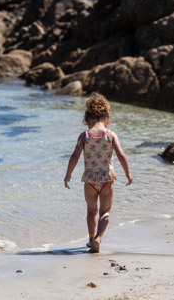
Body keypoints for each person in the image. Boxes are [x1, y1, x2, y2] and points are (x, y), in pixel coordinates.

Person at [64, 92, 133, 253]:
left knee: (91, 211)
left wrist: (68, 175)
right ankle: (99, 239)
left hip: (90, 179)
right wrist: (128, 174)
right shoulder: (110, 135)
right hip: (107, 179)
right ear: (106, 118)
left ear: (87, 119)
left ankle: (90, 238)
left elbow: (75, 155)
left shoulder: (85, 135)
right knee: (105, 211)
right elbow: (121, 155)